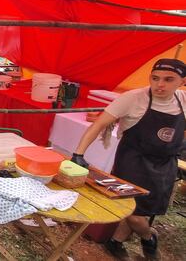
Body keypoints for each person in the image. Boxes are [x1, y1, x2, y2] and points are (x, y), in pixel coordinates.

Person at [72, 59, 186, 259]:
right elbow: (98, 124)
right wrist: (78, 154)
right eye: (155, 78)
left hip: (164, 164)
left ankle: (115, 242)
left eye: (168, 80)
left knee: (144, 210)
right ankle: (149, 238)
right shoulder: (133, 98)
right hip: (133, 162)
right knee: (134, 213)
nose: (160, 84)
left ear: (182, 82)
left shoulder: (182, 100)